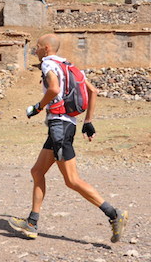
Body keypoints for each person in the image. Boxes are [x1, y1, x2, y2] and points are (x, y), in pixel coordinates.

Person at [8, 33, 128, 242]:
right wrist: (88, 121)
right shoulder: (68, 65)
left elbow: (53, 89)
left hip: (59, 128)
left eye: (36, 47)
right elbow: (92, 91)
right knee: (37, 171)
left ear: (46, 48)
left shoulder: (47, 64)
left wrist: (38, 107)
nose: (34, 50)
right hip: (65, 126)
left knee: (72, 180)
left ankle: (114, 214)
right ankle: (32, 223)